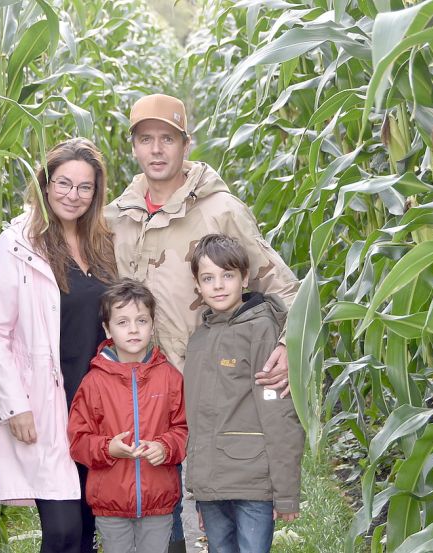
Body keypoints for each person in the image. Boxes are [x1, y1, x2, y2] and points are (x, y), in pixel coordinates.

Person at [105, 92, 300, 551]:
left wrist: (290, 346)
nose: (156, 150)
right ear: (133, 147)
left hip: (210, 389)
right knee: (157, 508)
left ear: (185, 145)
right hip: (144, 387)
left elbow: (284, 286)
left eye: (167, 139)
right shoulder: (116, 218)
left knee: (209, 500)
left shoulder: (220, 210)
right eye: (146, 139)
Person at [0, 138, 117, 553]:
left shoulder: (103, 243)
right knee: (62, 530)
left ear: (96, 192)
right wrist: (13, 405)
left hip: (97, 403)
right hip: (44, 401)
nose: (73, 196)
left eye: (84, 187)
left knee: (90, 524)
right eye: (63, 183)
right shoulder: (18, 243)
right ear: (45, 183)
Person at [183, 234, 304, 553]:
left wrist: (286, 491)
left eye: (228, 275)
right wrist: (198, 488)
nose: (218, 285)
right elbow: (196, 419)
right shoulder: (198, 342)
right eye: (208, 278)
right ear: (197, 285)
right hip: (212, 488)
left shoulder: (261, 329)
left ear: (245, 278)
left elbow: (277, 411)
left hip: (252, 483)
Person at [67, 279, 188, 553]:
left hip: (158, 502)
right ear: (107, 329)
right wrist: (107, 448)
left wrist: (165, 447)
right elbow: (78, 440)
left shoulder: (170, 377)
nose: (133, 329)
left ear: (153, 325)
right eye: (122, 322)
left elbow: (184, 429)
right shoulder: (94, 382)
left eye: (141, 320)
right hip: (110, 504)